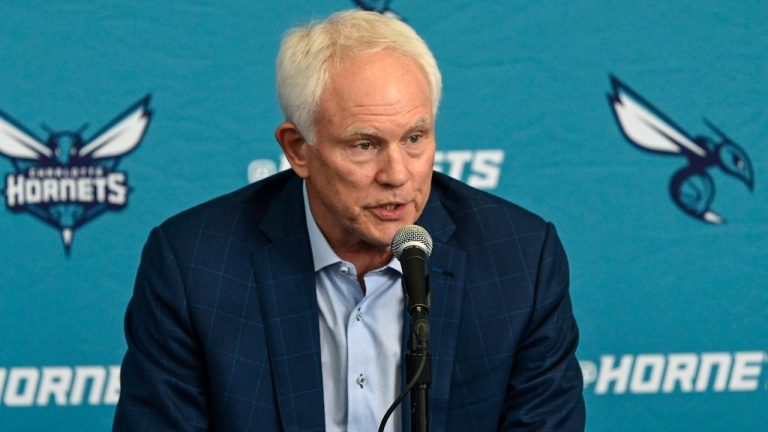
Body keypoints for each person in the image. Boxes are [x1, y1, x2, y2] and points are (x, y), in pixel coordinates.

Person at [114, 9, 585, 432]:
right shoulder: (195, 266)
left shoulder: (519, 260)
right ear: (298, 149)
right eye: (364, 144)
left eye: (414, 138)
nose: (397, 175)